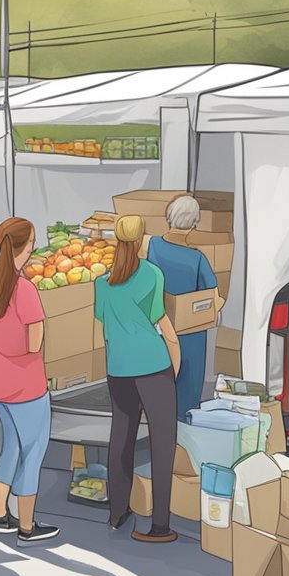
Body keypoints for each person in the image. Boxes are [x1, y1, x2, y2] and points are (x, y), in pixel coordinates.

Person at [96, 215, 182, 544]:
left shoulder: (102, 282)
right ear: (142, 238)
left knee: (122, 438)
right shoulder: (151, 274)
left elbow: (103, 320)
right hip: (152, 366)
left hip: (118, 369)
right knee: (162, 443)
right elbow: (163, 325)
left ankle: (117, 513)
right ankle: (160, 524)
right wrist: (173, 367)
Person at [0, 217, 59, 545]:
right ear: (26, 246)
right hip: (26, 386)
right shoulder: (24, 289)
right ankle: (27, 527)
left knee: (10, 446)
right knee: (33, 451)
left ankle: (1, 516)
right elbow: (33, 343)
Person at [147, 195, 223, 420]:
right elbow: (213, 297)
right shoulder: (196, 258)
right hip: (191, 334)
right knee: (187, 391)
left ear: (169, 217)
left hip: (157, 326)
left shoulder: (152, 245)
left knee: (159, 382)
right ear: (194, 223)